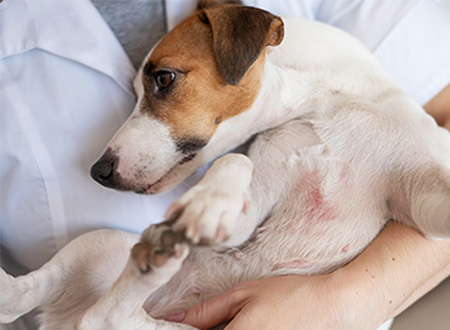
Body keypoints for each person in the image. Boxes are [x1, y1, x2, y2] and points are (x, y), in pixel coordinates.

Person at [0, 0, 449, 329]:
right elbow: (237, 224)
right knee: (105, 256)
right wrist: (226, 179)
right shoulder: (276, 140)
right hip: (116, 299)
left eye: (163, 82)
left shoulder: (371, 115)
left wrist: (344, 302)